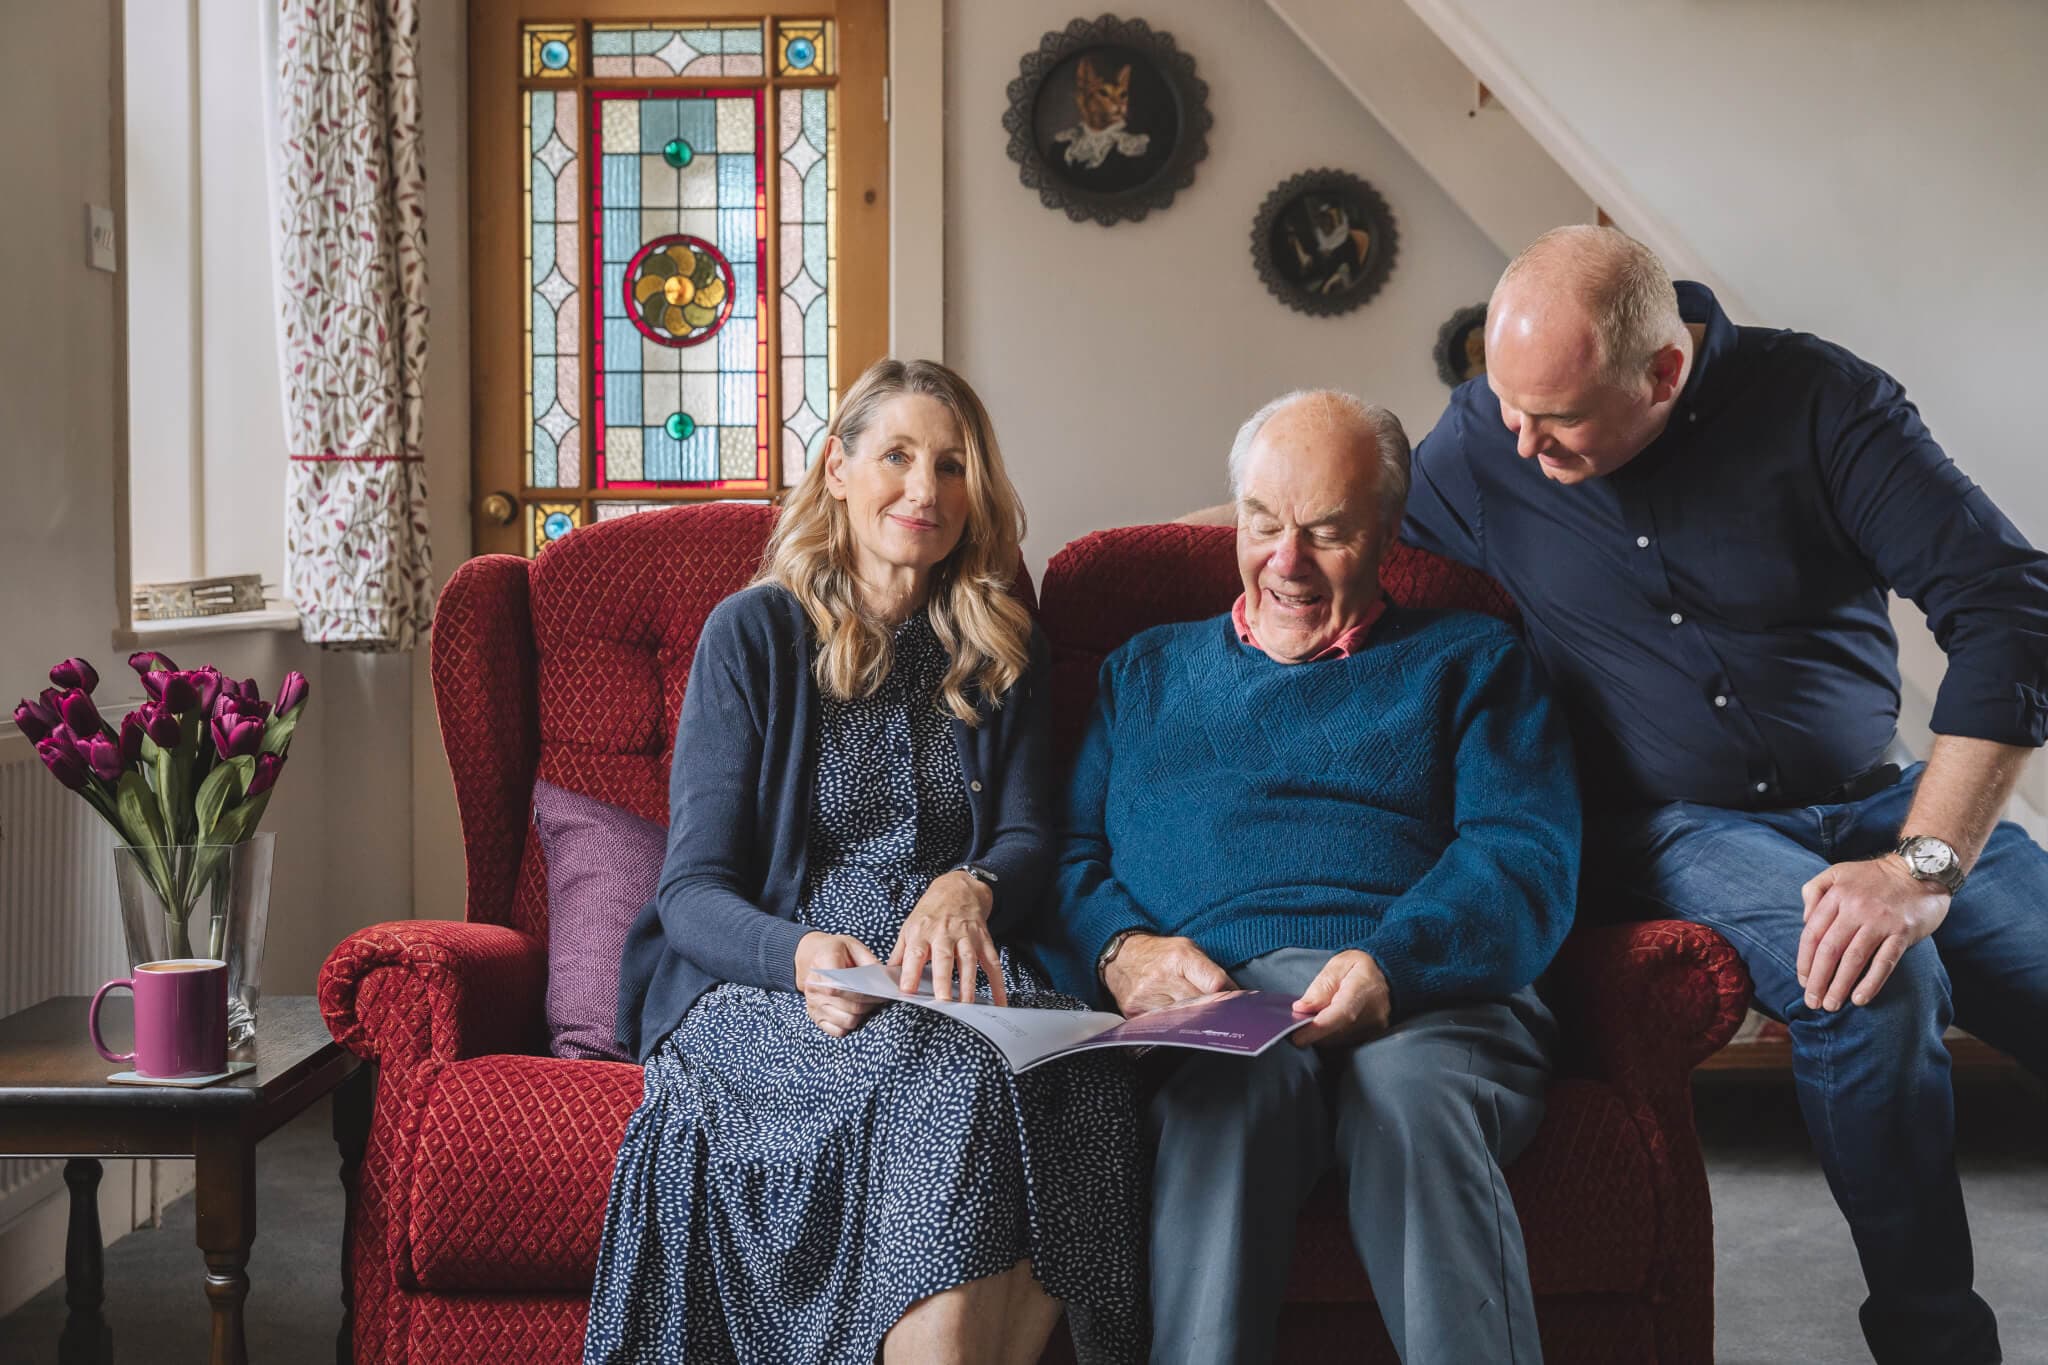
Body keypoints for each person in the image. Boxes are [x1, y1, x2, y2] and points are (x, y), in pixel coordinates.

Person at [1400, 224, 2048, 1365]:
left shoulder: (1818, 403)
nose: (1516, 439)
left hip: (1879, 807)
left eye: (1553, 419)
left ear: (1662, 372)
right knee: (1866, 974)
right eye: (1500, 402)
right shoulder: (1483, 444)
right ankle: (1935, 1343)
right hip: (1668, 826)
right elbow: (1327, 525)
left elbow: (2008, 608)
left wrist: (1921, 865)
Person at [589, 359, 1145, 1364]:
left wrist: (967, 883)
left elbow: (1026, 839)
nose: (923, 491)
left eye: (950, 464)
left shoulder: (997, 641)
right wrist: (802, 956)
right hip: (775, 980)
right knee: (958, 1081)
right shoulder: (752, 635)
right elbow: (691, 894)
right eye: (896, 456)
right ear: (837, 469)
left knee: (1090, 1078)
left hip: (953, 971)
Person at [1046, 390, 1579, 1365]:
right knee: (1224, 1107)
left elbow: (1521, 858)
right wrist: (1119, 949)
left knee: (1408, 1102)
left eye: (1326, 533)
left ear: (1385, 533)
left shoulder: (1472, 663)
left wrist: (1391, 964)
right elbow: (1065, 858)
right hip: (1222, 1009)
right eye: (1263, 525)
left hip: (1433, 1001)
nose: (1285, 563)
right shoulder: (1142, 674)